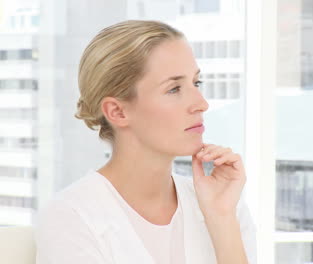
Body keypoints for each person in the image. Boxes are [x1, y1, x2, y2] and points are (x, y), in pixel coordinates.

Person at [34, 20, 256, 264]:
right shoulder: (72, 217)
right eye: (174, 89)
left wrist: (222, 218)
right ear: (117, 112)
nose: (201, 103)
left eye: (196, 83)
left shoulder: (222, 204)